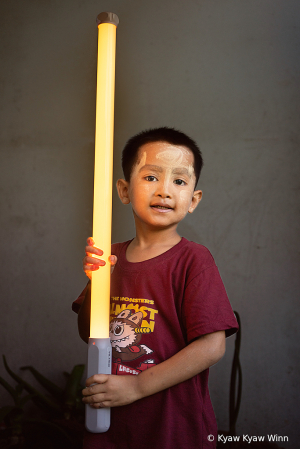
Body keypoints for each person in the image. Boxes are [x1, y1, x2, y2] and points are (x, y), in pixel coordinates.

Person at [72, 127, 239, 449]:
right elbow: (89, 333)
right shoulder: (111, 257)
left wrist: (136, 388)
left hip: (173, 426)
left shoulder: (193, 259)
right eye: (151, 177)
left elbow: (212, 346)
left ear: (193, 199)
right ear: (124, 190)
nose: (164, 190)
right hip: (110, 423)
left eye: (179, 181)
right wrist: (96, 285)